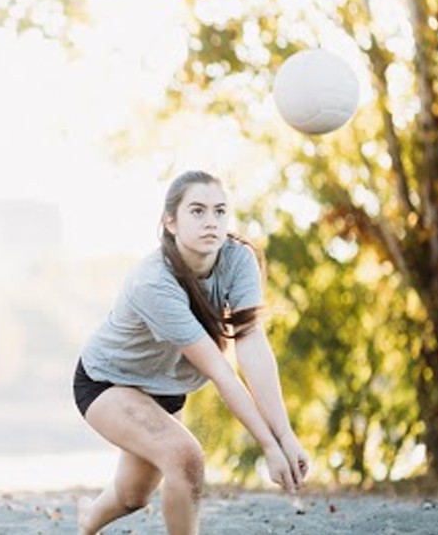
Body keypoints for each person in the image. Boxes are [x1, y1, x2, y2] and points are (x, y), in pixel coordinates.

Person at [73, 170, 309, 535]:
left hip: (165, 388)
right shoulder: (154, 283)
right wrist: (268, 446)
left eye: (219, 211)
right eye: (197, 211)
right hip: (108, 381)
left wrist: (286, 437)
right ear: (170, 222)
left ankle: (88, 520)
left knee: (134, 495)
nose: (210, 222)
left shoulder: (238, 259)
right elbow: (221, 372)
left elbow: (253, 348)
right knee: (185, 460)